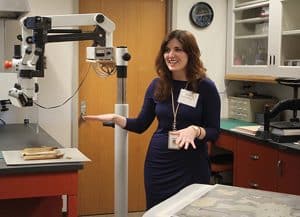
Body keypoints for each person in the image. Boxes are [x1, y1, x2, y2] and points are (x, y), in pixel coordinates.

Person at [83, 29, 221, 209]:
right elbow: (141, 125)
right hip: (159, 164)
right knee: (157, 210)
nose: (171, 55)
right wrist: (117, 118)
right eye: (167, 50)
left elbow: (214, 131)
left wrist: (195, 130)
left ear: (191, 53)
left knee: (190, 211)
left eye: (178, 49)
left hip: (191, 165)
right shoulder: (157, 85)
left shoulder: (205, 87)